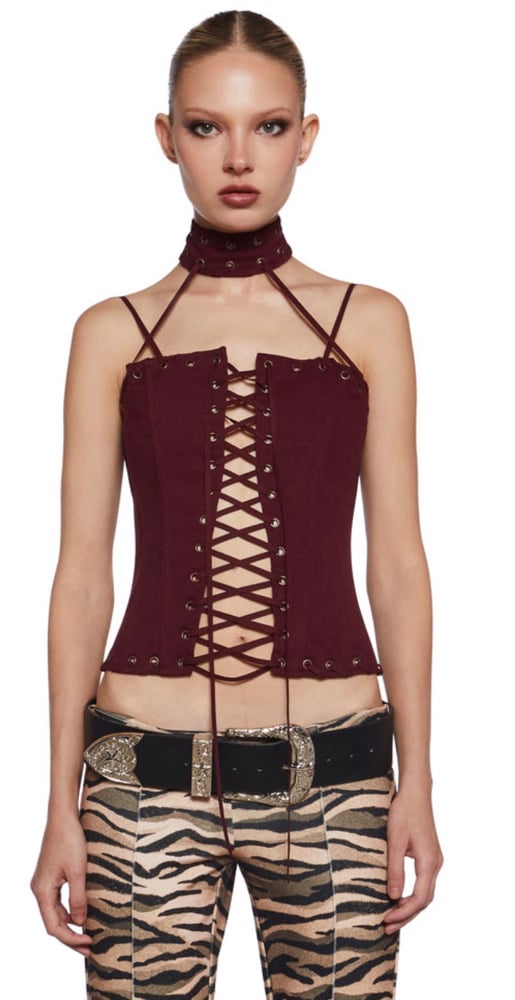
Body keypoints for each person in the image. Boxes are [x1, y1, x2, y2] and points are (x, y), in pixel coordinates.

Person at [31, 9, 443, 999]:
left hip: (337, 778)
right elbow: (82, 575)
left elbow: (396, 564)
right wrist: (58, 801)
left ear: (306, 137)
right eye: (206, 126)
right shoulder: (111, 333)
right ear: (166, 136)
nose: (238, 158)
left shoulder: (368, 323)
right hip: (139, 783)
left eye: (268, 126)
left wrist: (418, 781)